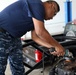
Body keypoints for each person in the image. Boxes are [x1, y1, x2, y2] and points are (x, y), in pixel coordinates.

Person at [0, 0, 65, 75]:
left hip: (15, 37)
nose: (52, 18)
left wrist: (52, 47)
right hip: (2, 34)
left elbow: (35, 37)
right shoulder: (37, 4)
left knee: (18, 67)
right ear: (52, 6)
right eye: (54, 14)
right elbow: (40, 32)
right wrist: (58, 46)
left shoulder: (37, 16)